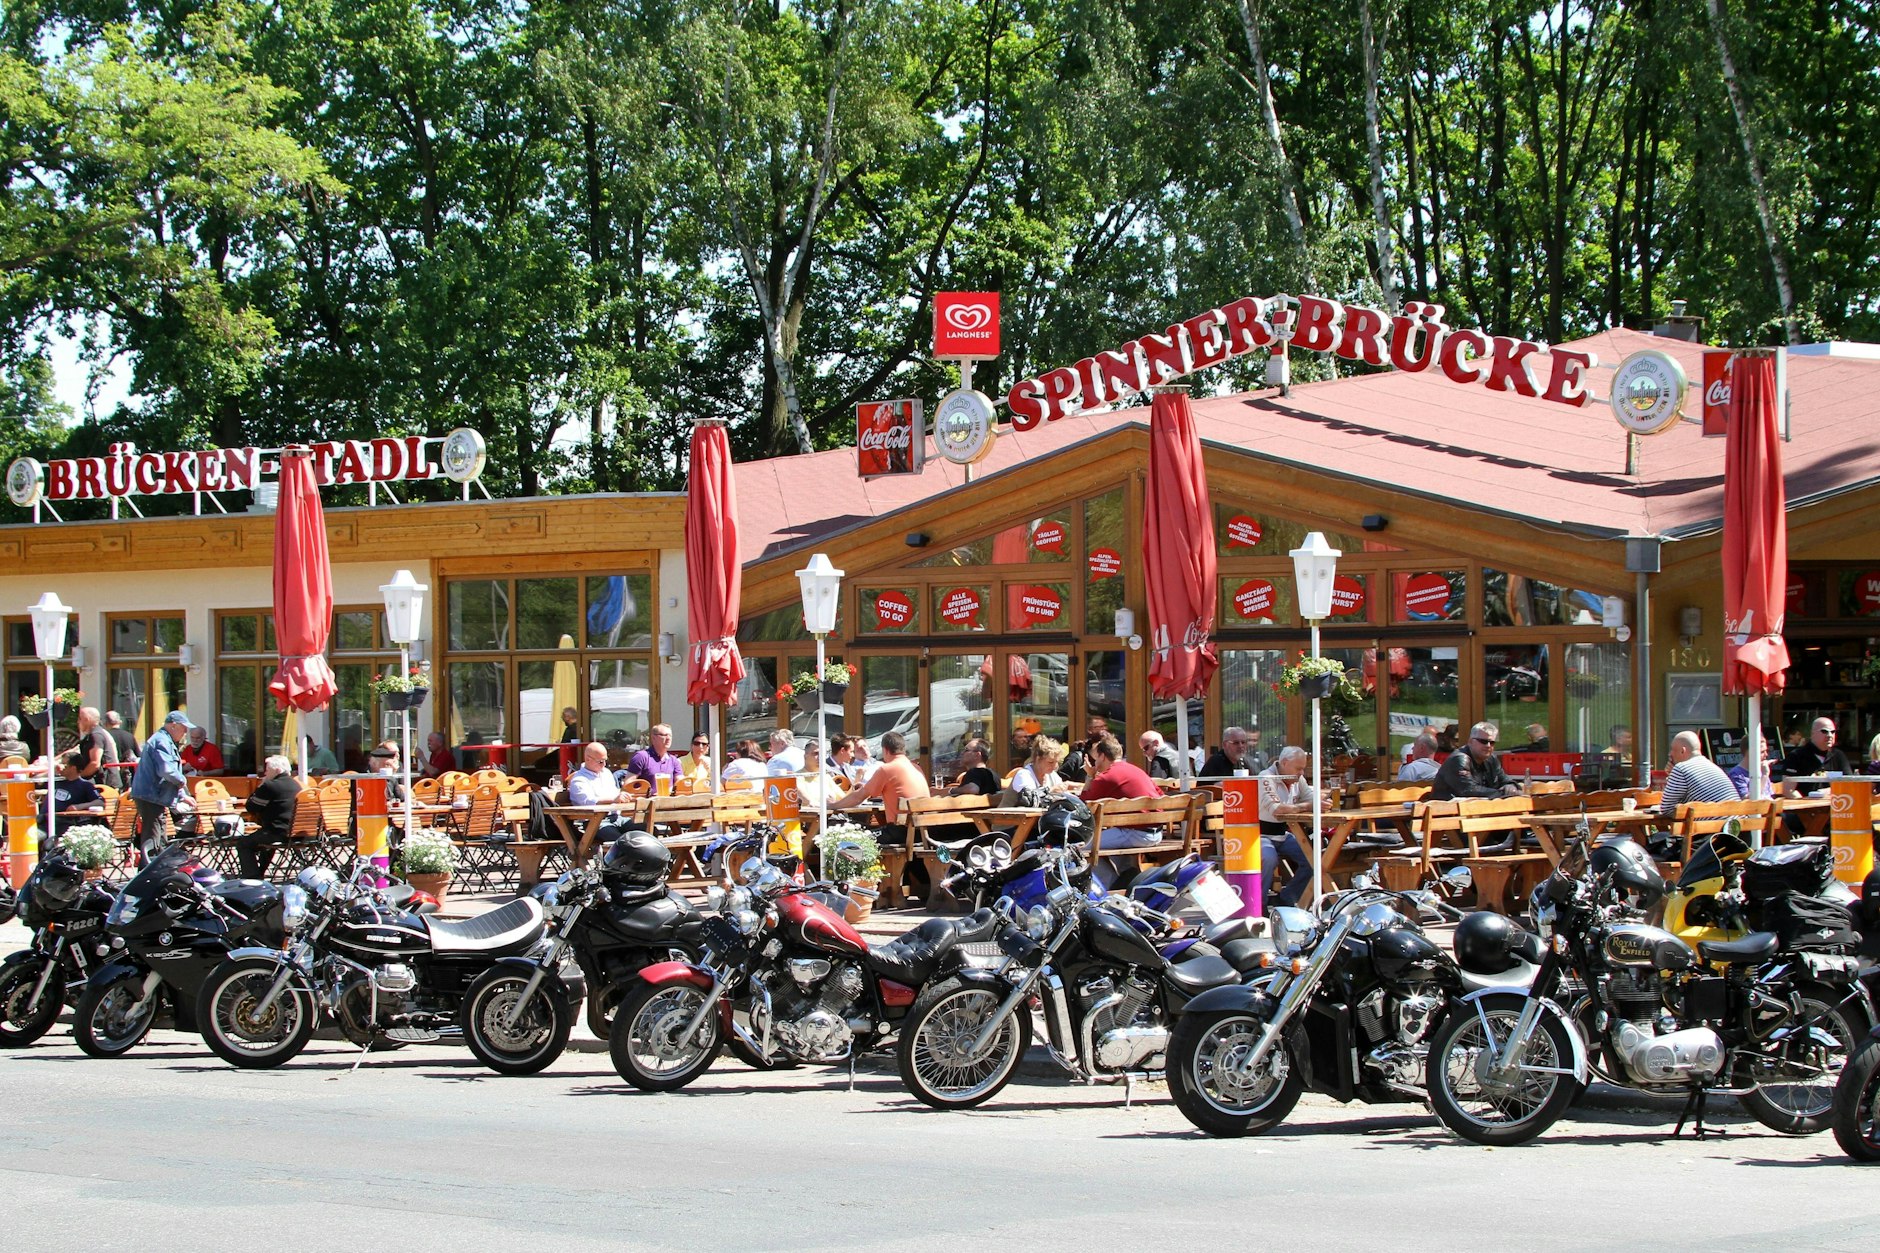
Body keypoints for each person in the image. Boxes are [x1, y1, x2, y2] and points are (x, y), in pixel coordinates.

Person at [831, 731, 929, 888]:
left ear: (885, 750)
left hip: (900, 832)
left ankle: (862, 889)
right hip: (921, 831)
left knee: (849, 839)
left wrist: (832, 806)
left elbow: (859, 797)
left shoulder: (887, 769)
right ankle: (913, 886)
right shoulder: (916, 767)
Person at [1079, 735, 1161, 884]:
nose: (1095, 763)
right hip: (1156, 832)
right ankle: (1129, 877)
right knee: (1108, 840)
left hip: (1137, 833)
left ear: (1103, 756)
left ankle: (1113, 883)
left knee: (1079, 848)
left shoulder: (1105, 777)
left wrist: (1090, 776)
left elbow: (1083, 805)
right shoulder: (1138, 770)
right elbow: (1160, 795)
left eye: (1096, 759)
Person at [1256, 747, 1318, 908]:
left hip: (1283, 834)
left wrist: (1321, 801)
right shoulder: (1265, 777)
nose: (1301, 773)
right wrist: (1309, 805)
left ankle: (1286, 899)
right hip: (1260, 835)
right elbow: (1277, 810)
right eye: (1298, 768)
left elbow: (1313, 800)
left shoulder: (1297, 779)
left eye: (1303, 768)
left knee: (1315, 859)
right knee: (1268, 858)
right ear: (1284, 763)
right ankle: (1259, 906)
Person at [128, 710, 191, 858]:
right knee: (153, 838)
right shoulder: (161, 741)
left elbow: (168, 771)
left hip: (153, 796)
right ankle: (149, 873)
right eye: (184, 728)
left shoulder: (164, 740)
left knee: (158, 836)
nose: (185, 732)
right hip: (151, 795)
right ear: (174, 726)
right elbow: (166, 770)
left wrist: (182, 795)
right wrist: (182, 781)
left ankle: (154, 871)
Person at [239, 754, 302, 879]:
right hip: (297, 833)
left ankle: (252, 877)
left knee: (243, 843)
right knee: (264, 843)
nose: (265, 772)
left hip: (276, 832)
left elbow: (251, 807)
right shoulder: (296, 785)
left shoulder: (270, 786)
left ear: (277, 770)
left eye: (268, 769)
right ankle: (259, 872)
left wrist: (260, 786)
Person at [1430, 721, 1519, 801]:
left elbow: (1505, 779)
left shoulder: (1491, 759)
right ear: (1470, 742)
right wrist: (1504, 794)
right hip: (1447, 813)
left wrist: (1511, 786)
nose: (1488, 746)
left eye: (1492, 742)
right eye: (1483, 741)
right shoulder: (1459, 759)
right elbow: (1468, 790)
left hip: (1474, 811)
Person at [1657, 731, 1739, 817]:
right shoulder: (1712, 765)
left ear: (1682, 751)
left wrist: (1672, 775)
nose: (1670, 754)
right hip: (1739, 825)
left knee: (1662, 831)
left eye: (1673, 750)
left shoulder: (1681, 768)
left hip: (1712, 828)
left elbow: (1666, 809)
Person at [1783, 716, 1852, 783]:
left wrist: (1828, 790)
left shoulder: (1838, 756)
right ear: (1812, 733)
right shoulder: (1796, 756)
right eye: (1824, 731)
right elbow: (1788, 790)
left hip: (1834, 794)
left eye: (1833, 732)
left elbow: (1849, 784)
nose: (1830, 735)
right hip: (1804, 794)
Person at [626, 723, 685, 791]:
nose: (668, 738)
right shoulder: (642, 757)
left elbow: (680, 783)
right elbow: (627, 785)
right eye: (664, 735)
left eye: (670, 735)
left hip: (667, 800)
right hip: (646, 800)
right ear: (653, 738)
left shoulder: (673, 760)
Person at [76, 706, 120, 791]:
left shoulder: (96, 735)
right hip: (105, 783)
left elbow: (95, 763)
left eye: (80, 719)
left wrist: (79, 776)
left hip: (104, 786)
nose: (78, 722)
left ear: (87, 719)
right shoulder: (96, 734)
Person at [567, 741, 624, 806]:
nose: (604, 764)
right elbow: (587, 801)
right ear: (588, 759)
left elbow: (615, 793)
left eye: (605, 761)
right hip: (596, 815)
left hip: (616, 813)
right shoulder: (579, 780)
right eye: (601, 762)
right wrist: (613, 799)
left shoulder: (606, 773)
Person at [102, 710, 139, 777]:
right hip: (128, 776)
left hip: (110, 775)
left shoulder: (104, 736)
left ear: (105, 723)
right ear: (120, 722)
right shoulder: (129, 736)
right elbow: (137, 756)